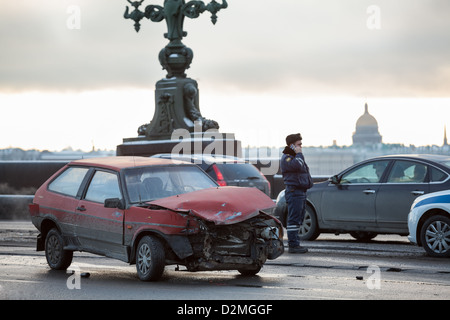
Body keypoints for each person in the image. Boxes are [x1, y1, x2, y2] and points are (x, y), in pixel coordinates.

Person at [281, 133, 313, 254]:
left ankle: (295, 243)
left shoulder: (294, 156)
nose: (301, 147)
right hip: (294, 191)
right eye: (298, 145)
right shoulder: (288, 157)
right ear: (292, 145)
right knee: (293, 219)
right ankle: (293, 245)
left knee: (299, 218)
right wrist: (299, 154)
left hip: (300, 191)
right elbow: (298, 165)